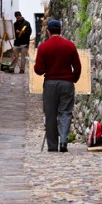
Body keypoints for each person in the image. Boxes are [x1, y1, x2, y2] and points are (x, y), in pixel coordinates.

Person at [34, 19, 81, 152]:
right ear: (61, 30)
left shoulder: (43, 47)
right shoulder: (70, 45)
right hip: (67, 83)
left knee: (50, 114)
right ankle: (64, 141)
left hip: (50, 83)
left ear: (48, 31)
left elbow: (38, 69)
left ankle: (53, 145)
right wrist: (74, 79)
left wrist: (46, 69)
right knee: (65, 112)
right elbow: (77, 66)